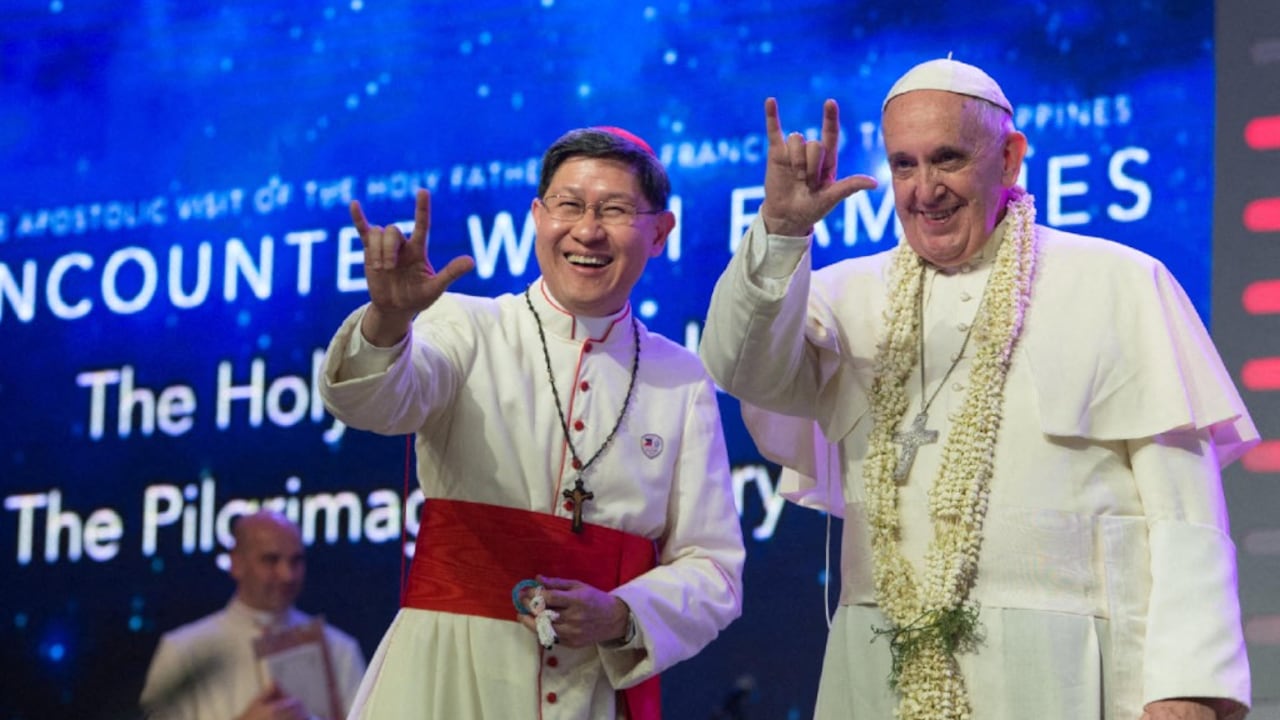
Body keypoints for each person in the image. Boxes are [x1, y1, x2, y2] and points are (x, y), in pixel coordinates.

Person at [699, 58, 1255, 720]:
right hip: (882, 667)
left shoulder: (1119, 284)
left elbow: (1184, 512)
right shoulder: (845, 296)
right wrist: (782, 234)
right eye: (904, 165)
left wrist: (1186, 685)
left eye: (948, 159)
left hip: (1067, 670)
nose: (924, 189)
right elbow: (738, 365)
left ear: (1010, 158)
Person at [318, 126, 745, 719]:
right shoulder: (464, 325)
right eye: (569, 205)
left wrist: (622, 613)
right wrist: (388, 323)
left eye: (615, 210)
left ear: (660, 233)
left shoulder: (682, 378)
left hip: (591, 686)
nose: (587, 230)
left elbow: (714, 568)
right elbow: (372, 405)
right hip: (445, 674)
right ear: (537, 216)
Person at [139, 510, 367, 720]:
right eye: (271, 560)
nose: (287, 575)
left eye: (296, 561)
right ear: (236, 563)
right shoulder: (184, 650)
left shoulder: (340, 650)